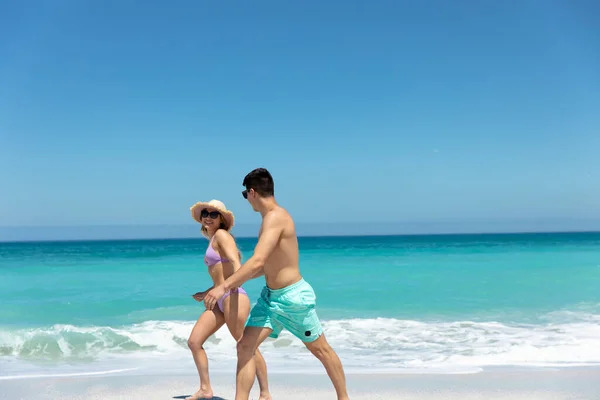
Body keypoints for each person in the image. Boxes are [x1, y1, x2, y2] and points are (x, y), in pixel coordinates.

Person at [203, 169, 350, 400]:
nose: (246, 199)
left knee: (320, 350)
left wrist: (223, 287)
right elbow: (265, 267)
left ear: (252, 192)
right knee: (244, 347)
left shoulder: (276, 217)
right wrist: (230, 282)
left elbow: (258, 260)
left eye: (245, 194)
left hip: (293, 299)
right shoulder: (268, 220)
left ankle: (344, 398)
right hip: (270, 299)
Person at [187, 199, 271, 400]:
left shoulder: (222, 235)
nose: (208, 216)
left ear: (221, 219)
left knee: (246, 345)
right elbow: (221, 275)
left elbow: (236, 263)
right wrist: (209, 291)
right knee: (194, 341)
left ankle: (265, 393)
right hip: (219, 298)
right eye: (205, 213)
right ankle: (205, 388)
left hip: (233, 297)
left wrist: (229, 288)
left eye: (213, 214)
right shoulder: (214, 238)